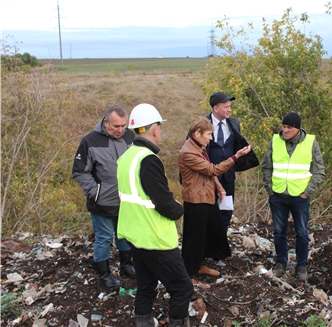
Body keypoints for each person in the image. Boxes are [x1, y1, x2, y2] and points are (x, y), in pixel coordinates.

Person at [117, 103, 192, 327]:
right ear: (155, 129)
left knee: (146, 286)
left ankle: (143, 322)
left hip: (135, 235)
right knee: (182, 289)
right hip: (156, 238)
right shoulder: (148, 159)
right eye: (159, 126)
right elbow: (164, 203)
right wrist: (179, 209)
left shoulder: (127, 157)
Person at [178, 116, 251, 280]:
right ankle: (189, 274)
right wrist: (235, 157)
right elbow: (212, 170)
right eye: (209, 134)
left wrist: (219, 187)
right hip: (196, 201)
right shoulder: (188, 152)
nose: (211, 139)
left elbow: (207, 173)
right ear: (198, 133)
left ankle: (200, 265)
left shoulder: (199, 148)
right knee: (194, 238)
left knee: (209, 232)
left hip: (206, 197)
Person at [72, 105, 136, 289]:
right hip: (102, 203)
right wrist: (96, 192)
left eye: (123, 125)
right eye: (116, 126)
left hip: (126, 201)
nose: (120, 130)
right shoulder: (89, 141)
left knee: (124, 235)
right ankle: (104, 274)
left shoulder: (130, 137)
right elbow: (80, 172)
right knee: (104, 238)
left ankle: (126, 265)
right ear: (105, 122)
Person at [261, 112, 325, 282]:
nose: (285, 130)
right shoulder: (275, 141)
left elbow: (319, 170)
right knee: (279, 232)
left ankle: (301, 266)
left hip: (299, 197)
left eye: (289, 127)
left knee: (302, 233)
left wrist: (307, 192)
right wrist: (269, 188)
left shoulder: (310, 143)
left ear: (297, 128)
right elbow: (266, 166)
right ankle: (280, 264)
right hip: (278, 195)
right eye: (283, 127)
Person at [206, 92, 240, 228]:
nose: (229, 110)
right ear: (216, 108)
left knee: (226, 212)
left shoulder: (234, 123)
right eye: (226, 107)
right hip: (209, 177)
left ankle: (222, 241)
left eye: (230, 106)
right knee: (209, 212)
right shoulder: (203, 124)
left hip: (228, 178)